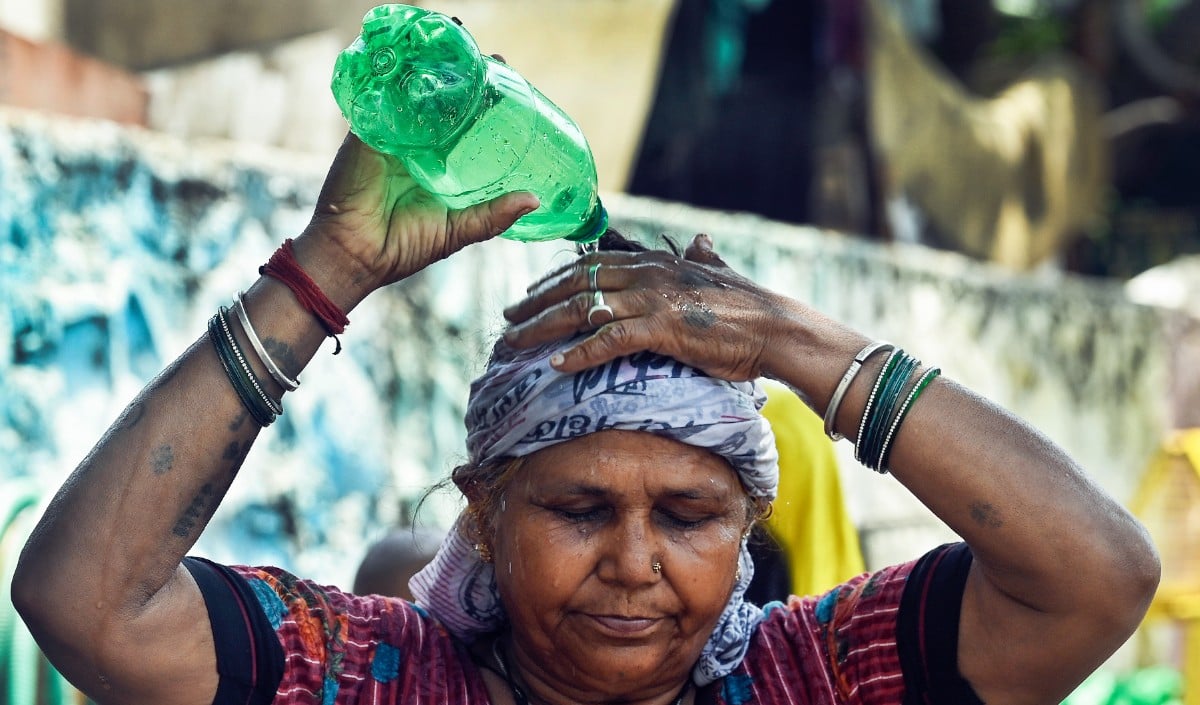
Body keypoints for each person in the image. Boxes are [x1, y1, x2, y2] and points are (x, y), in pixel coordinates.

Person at [11, 132, 1159, 705]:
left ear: (751, 517)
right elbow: (84, 603)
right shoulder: (384, 675)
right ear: (486, 513)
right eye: (578, 506)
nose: (634, 565)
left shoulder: (802, 675)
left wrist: (793, 342)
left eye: (691, 514)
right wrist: (322, 274)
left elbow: (1098, 577)